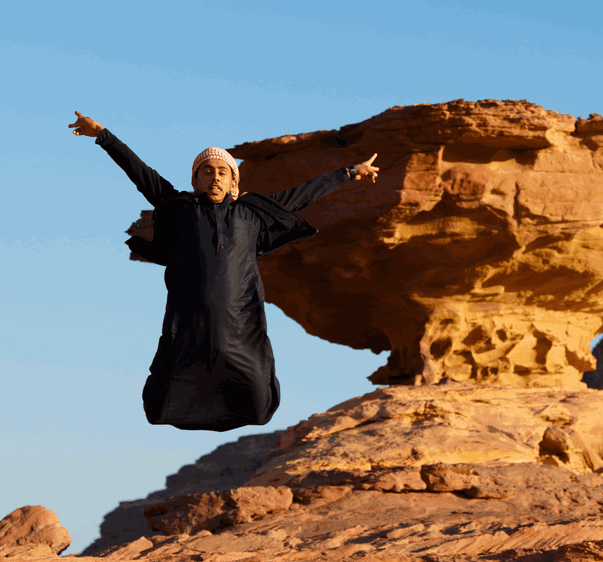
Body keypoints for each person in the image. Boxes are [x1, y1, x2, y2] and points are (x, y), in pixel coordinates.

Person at [69, 111, 379, 432]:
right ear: (195, 180)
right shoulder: (180, 209)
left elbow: (303, 194)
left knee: (258, 399)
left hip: (240, 326)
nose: (215, 177)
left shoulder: (252, 213)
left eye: (222, 172)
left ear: (233, 182)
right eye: (207, 172)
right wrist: (103, 135)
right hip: (189, 325)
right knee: (165, 399)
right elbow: (140, 173)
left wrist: (350, 172)